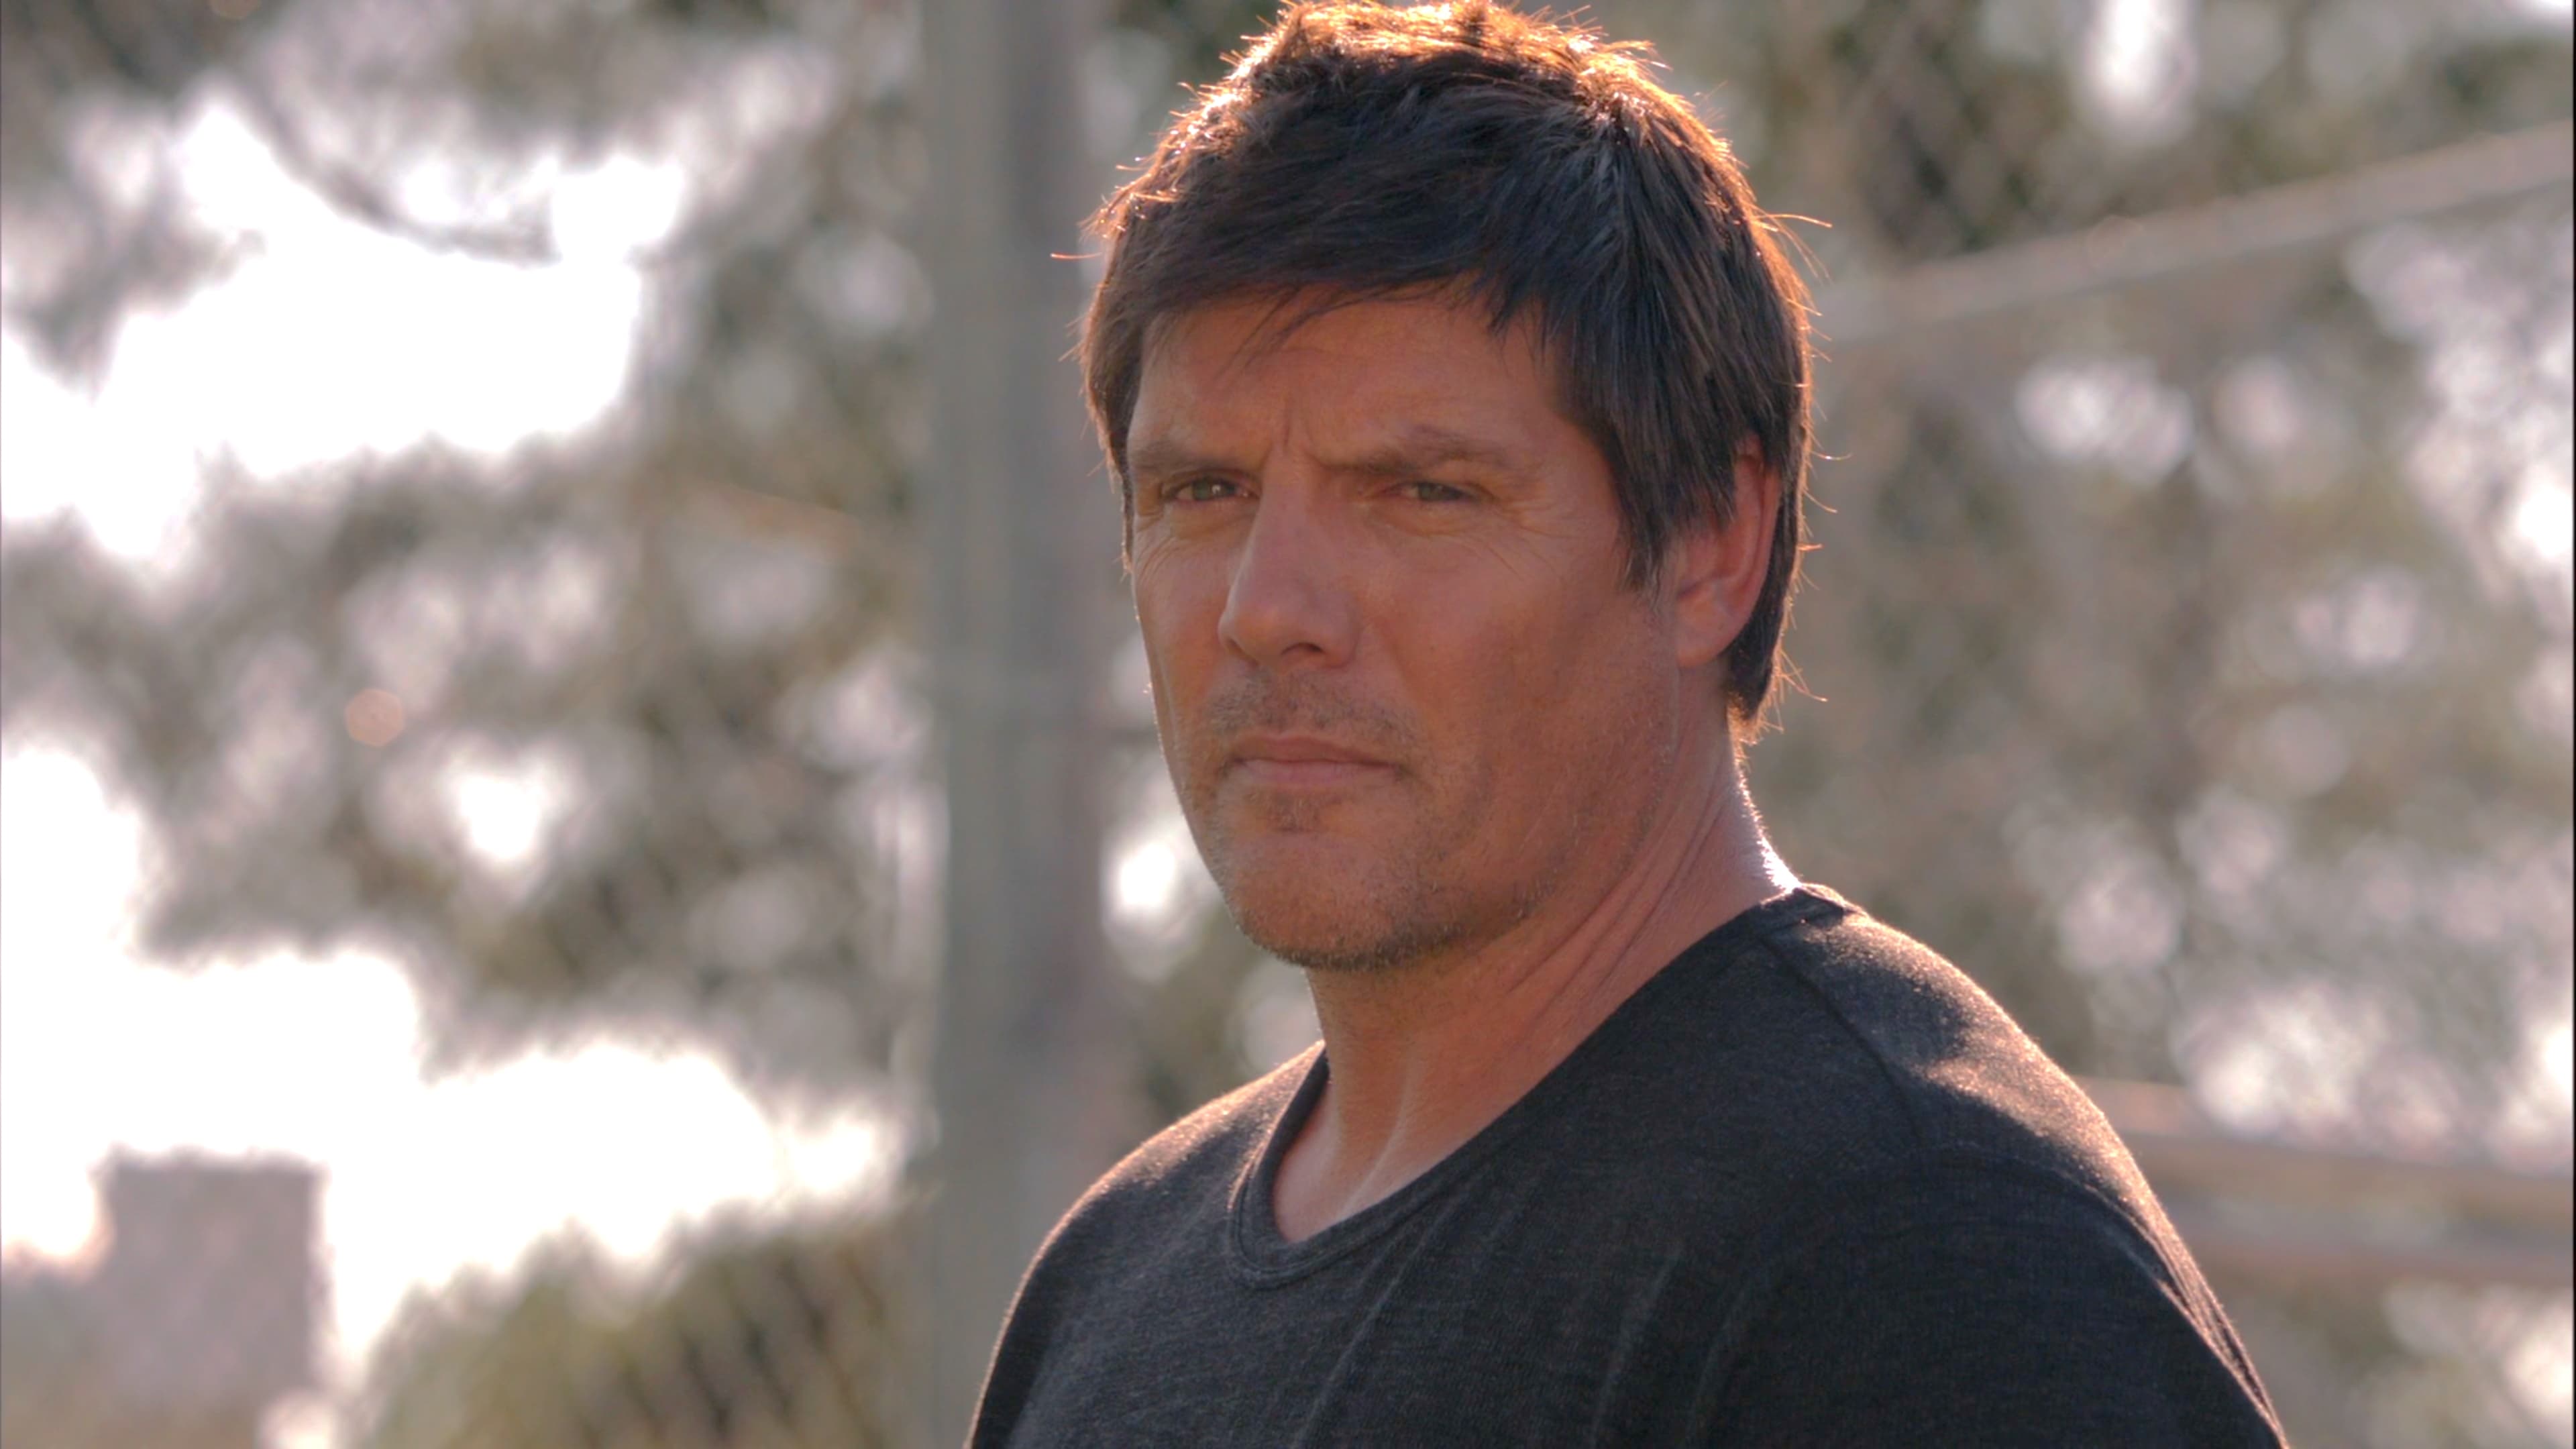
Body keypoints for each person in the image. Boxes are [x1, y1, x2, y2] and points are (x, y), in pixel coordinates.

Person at [970, 3, 2286, 1444]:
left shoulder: (1925, 1252)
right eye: (1203, 493)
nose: (1268, 608)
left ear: (1712, 545)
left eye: (1423, 492)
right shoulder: (1112, 1283)